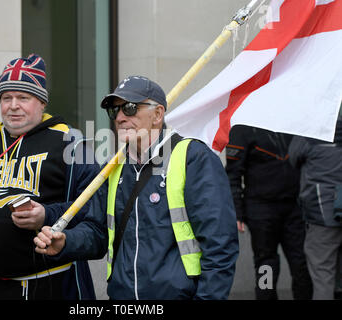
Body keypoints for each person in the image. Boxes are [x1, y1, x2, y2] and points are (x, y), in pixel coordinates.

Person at [34, 75, 239, 300]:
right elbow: (97, 230)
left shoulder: (194, 158)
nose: (120, 117)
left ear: (158, 114)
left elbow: (220, 246)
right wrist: (66, 243)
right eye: (114, 111)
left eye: (130, 108)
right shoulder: (113, 169)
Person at [0, 54, 99, 300]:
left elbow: (95, 208)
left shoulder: (71, 143)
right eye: (6, 98)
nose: (13, 105)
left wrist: (47, 215)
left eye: (24, 97)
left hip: (52, 285)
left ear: (42, 103)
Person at [225, 125, 312, 300]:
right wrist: (237, 213)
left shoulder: (295, 122)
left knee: (302, 264)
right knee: (266, 264)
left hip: (294, 208)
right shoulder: (243, 128)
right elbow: (233, 175)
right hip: (261, 210)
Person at [288, 109, 342, 300]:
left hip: (322, 215)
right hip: (326, 211)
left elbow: (293, 157)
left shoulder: (312, 133)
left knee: (322, 276)